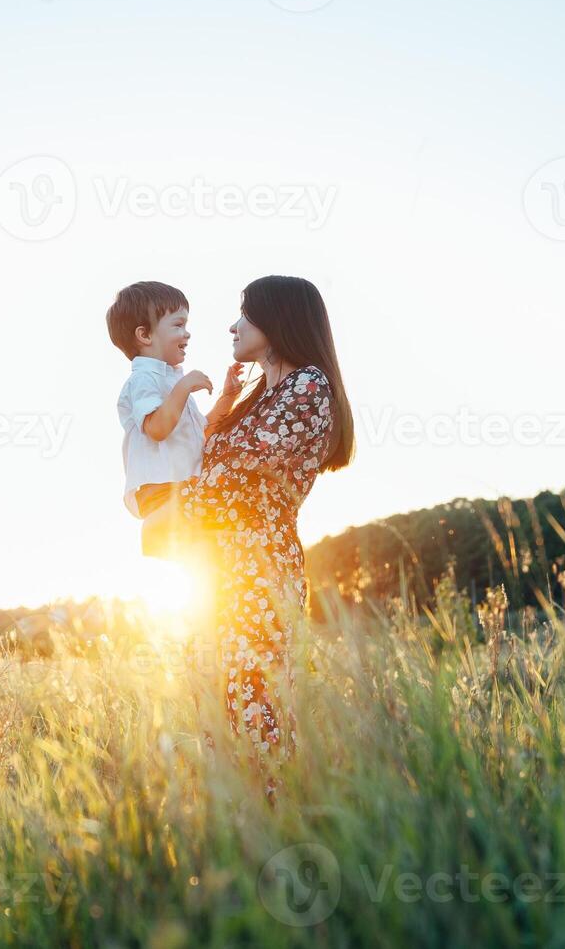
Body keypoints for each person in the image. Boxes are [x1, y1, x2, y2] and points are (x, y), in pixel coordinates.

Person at [156, 275, 355, 798]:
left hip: (257, 571)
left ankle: (273, 840)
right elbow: (203, 464)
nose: (232, 325)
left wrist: (165, 505)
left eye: (245, 313)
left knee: (257, 713)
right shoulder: (254, 397)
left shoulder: (307, 386)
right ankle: (235, 842)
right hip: (218, 575)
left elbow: (230, 479)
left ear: (278, 318)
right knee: (219, 719)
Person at [105, 281, 242, 529]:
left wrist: (228, 398)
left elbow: (202, 433)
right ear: (145, 335)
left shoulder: (172, 382)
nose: (186, 333)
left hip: (184, 488)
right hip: (161, 489)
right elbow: (157, 429)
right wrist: (184, 386)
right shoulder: (143, 380)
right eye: (178, 325)